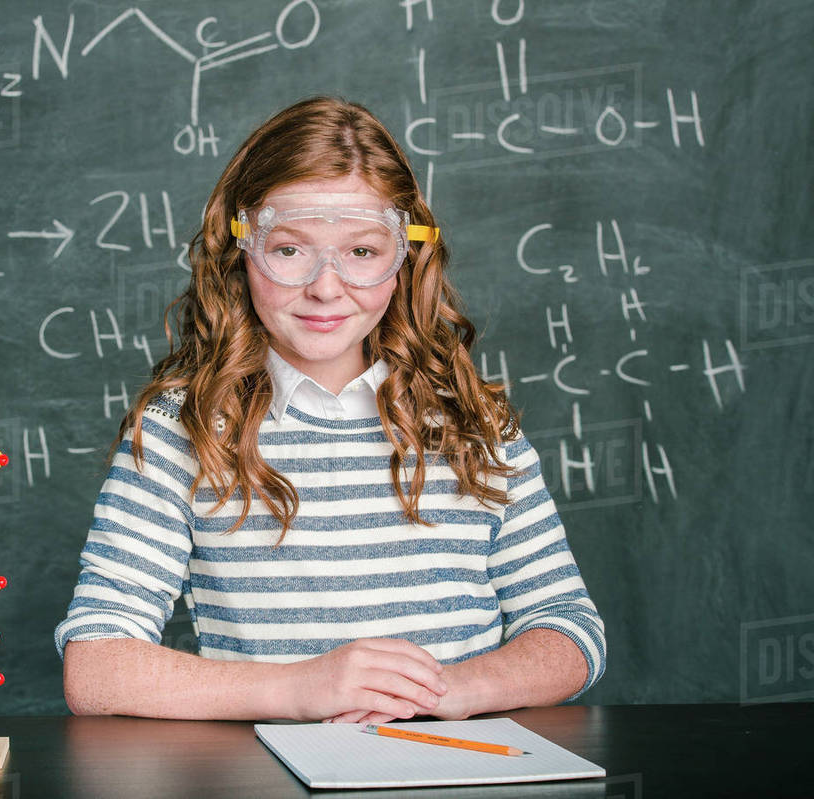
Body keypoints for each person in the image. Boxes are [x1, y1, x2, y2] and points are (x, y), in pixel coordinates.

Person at [55, 97, 605, 724]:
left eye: (363, 252)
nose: (325, 285)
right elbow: (96, 666)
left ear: (406, 258)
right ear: (241, 249)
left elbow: (570, 631)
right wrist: (299, 689)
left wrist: (449, 692)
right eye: (289, 250)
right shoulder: (184, 429)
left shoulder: (474, 426)